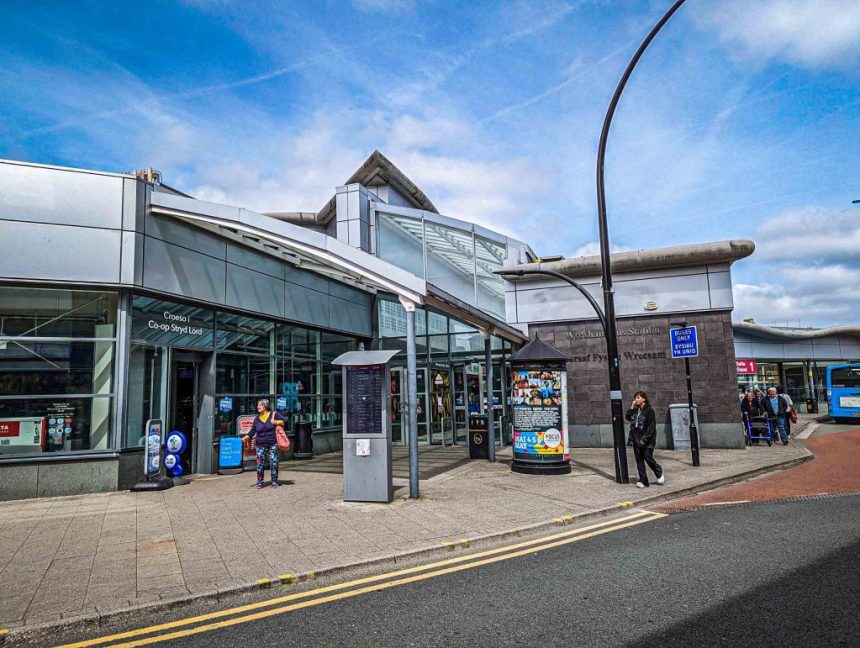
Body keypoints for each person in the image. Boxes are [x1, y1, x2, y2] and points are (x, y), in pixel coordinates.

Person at [242, 399, 286, 488]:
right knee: (260, 464)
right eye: (258, 405)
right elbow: (253, 431)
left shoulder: (273, 414)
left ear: (265, 406)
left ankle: (274, 481)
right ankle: (260, 482)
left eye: (260, 405)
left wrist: (276, 422)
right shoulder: (257, 418)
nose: (258, 407)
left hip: (272, 443)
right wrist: (246, 437)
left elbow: (285, 420)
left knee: (274, 462)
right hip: (260, 444)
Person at [625, 391, 664, 488]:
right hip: (636, 438)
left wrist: (644, 439)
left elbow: (651, 427)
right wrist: (632, 406)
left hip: (647, 440)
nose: (636, 400)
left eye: (638, 397)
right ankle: (643, 481)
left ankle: (658, 472)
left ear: (644, 399)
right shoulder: (636, 410)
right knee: (639, 460)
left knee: (648, 458)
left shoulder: (649, 410)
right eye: (635, 398)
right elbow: (628, 417)